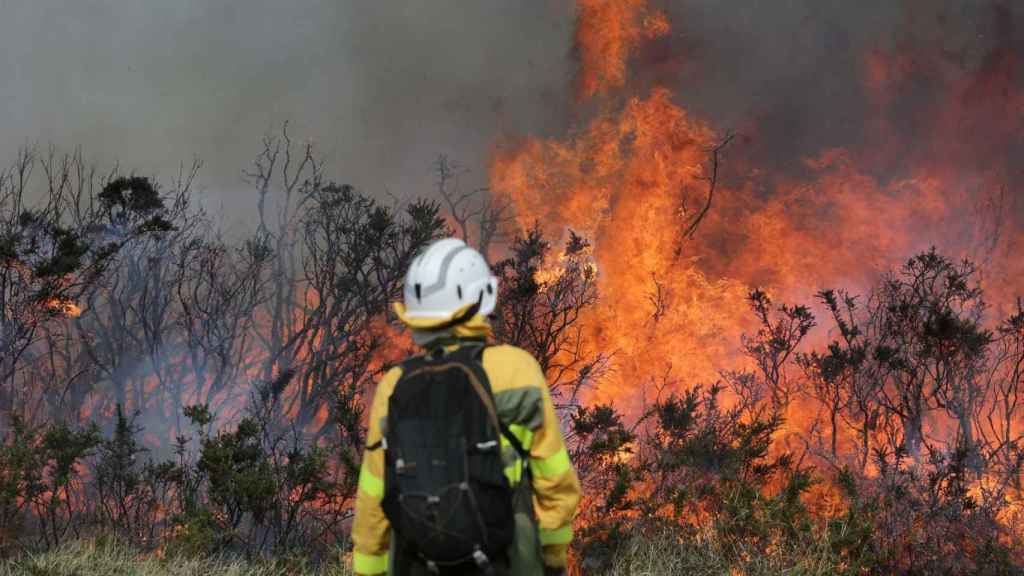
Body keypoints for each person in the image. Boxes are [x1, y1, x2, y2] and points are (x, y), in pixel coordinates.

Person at [351, 237, 581, 576]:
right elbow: (555, 483)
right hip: (505, 560)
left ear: (414, 316)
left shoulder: (394, 385)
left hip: (420, 562)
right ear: (484, 298)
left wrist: (368, 570)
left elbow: (374, 497)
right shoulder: (517, 371)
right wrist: (552, 557)